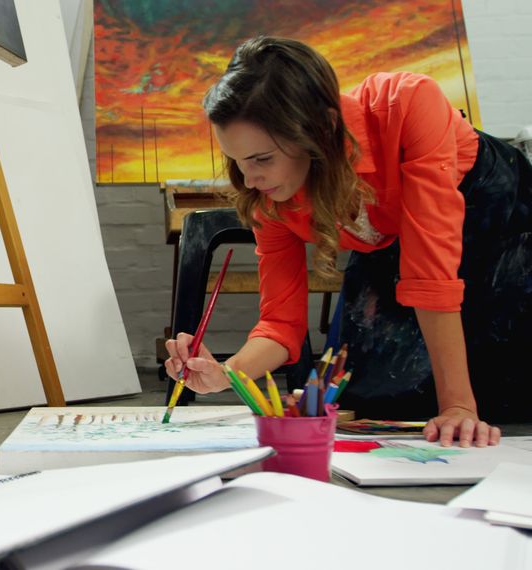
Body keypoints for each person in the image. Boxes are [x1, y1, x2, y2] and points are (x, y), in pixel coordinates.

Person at [165, 36, 531, 447]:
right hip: (391, 240)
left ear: (319, 130)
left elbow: (429, 270)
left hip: (500, 216)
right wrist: (226, 373)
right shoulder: (269, 194)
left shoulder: (408, 102)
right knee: (372, 396)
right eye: (237, 161)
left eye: (262, 159)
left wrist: (458, 408)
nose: (248, 179)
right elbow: (281, 325)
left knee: (505, 382)